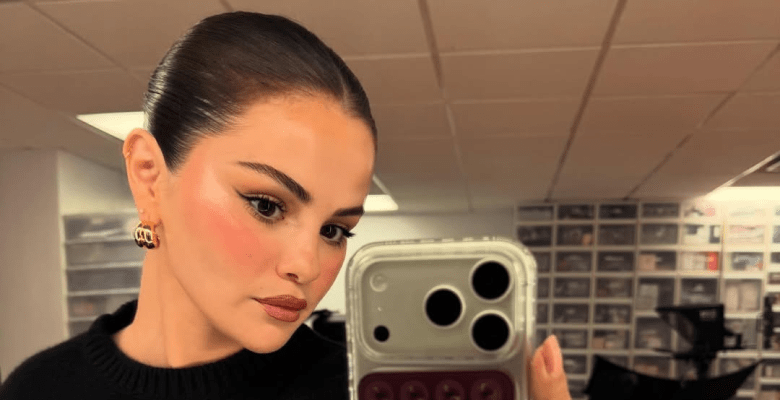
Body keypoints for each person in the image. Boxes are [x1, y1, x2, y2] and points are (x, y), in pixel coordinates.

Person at [0, 11, 571, 400]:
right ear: (150, 176)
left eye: (335, 230)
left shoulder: (360, 389)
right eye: (267, 205)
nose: (307, 265)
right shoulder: (37, 389)